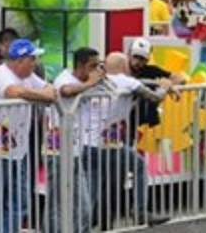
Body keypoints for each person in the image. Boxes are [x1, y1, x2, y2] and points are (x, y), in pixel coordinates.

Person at [0, 39, 56, 233]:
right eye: (32, 59)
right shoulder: (1, 74)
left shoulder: (28, 76)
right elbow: (13, 91)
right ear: (19, 60)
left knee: (20, 202)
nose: (35, 63)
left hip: (18, 150)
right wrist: (42, 95)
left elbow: (50, 89)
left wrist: (38, 94)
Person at [85, 53, 171, 228]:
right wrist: (165, 87)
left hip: (87, 143)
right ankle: (140, 212)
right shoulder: (127, 82)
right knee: (139, 166)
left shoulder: (96, 81)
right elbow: (155, 97)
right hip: (109, 143)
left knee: (93, 187)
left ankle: (83, 224)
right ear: (125, 67)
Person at [43, 47, 105, 233]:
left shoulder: (86, 81)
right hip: (58, 151)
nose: (96, 70)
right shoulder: (64, 78)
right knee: (56, 202)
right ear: (80, 65)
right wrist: (91, 83)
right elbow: (66, 91)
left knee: (84, 206)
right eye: (92, 66)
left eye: (98, 65)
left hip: (75, 150)